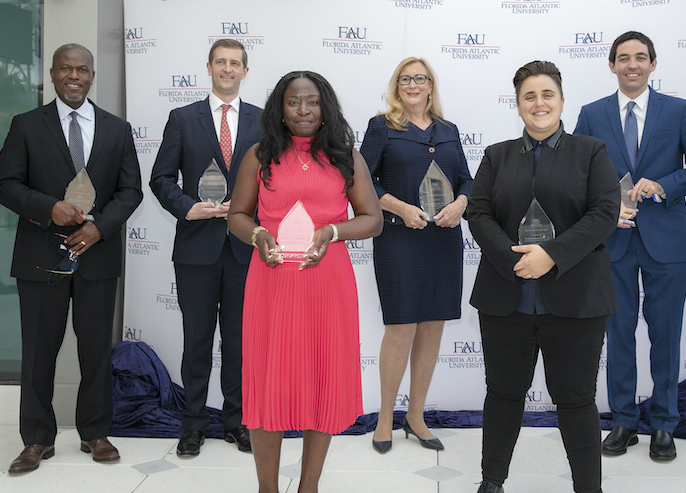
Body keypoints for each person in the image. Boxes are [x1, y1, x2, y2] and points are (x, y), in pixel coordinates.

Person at [466, 61, 619, 493]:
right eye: (529, 96)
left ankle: (588, 488)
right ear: (517, 105)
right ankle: (492, 482)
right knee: (503, 395)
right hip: (506, 297)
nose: (539, 103)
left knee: (575, 399)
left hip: (576, 298)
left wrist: (550, 256)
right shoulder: (496, 155)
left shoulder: (591, 151)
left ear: (562, 101)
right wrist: (515, 260)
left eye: (547, 94)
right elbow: (478, 213)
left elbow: (605, 212)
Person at [228, 71, 383, 493]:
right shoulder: (259, 156)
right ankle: (268, 488)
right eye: (293, 102)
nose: (303, 110)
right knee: (266, 384)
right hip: (271, 282)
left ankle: (308, 487)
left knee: (322, 380)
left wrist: (333, 232)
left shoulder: (346, 157)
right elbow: (237, 216)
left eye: (311, 102)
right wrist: (258, 234)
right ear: (280, 108)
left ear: (325, 106)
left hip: (326, 283)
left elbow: (373, 220)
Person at [0, 43, 142, 473]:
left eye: (82, 69)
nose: (73, 75)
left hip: (97, 256)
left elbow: (130, 190)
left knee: (95, 350)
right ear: (53, 74)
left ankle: (95, 432)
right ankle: (36, 439)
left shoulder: (117, 129)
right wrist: (48, 208)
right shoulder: (26, 126)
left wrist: (101, 227)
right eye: (65, 68)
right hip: (41, 256)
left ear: (92, 75)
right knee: (39, 352)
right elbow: (5, 185)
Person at [573, 31, 686, 461]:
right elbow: (576, 172)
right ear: (611, 65)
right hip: (611, 239)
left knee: (666, 334)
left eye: (641, 57)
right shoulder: (591, 115)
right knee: (618, 332)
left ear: (652, 64)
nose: (633, 64)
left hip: (665, 239)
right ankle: (624, 421)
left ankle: (665, 423)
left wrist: (665, 185)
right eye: (624, 58)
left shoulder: (679, 111)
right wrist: (605, 206)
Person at [150, 38, 261, 456]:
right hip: (196, 250)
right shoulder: (182, 118)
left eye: (235, 63)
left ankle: (237, 421)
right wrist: (188, 208)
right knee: (196, 342)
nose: (228, 69)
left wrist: (249, 208)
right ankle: (193, 425)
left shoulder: (263, 121)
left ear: (245, 71)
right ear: (209, 67)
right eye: (221, 62)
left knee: (239, 342)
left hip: (244, 250)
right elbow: (160, 179)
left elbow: (274, 181)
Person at [360, 57, 471, 454]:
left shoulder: (449, 130)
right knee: (402, 327)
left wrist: (461, 203)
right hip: (399, 239)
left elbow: (467, 181)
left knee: (432, 327)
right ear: (397, 85)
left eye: (419, 78)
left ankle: (416, 415)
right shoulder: (381, 126)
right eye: (405, 79)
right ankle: (387, 416)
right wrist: (399, 208)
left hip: (442, 240)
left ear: (430, 85)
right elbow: (360, 181)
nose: (412, 85)